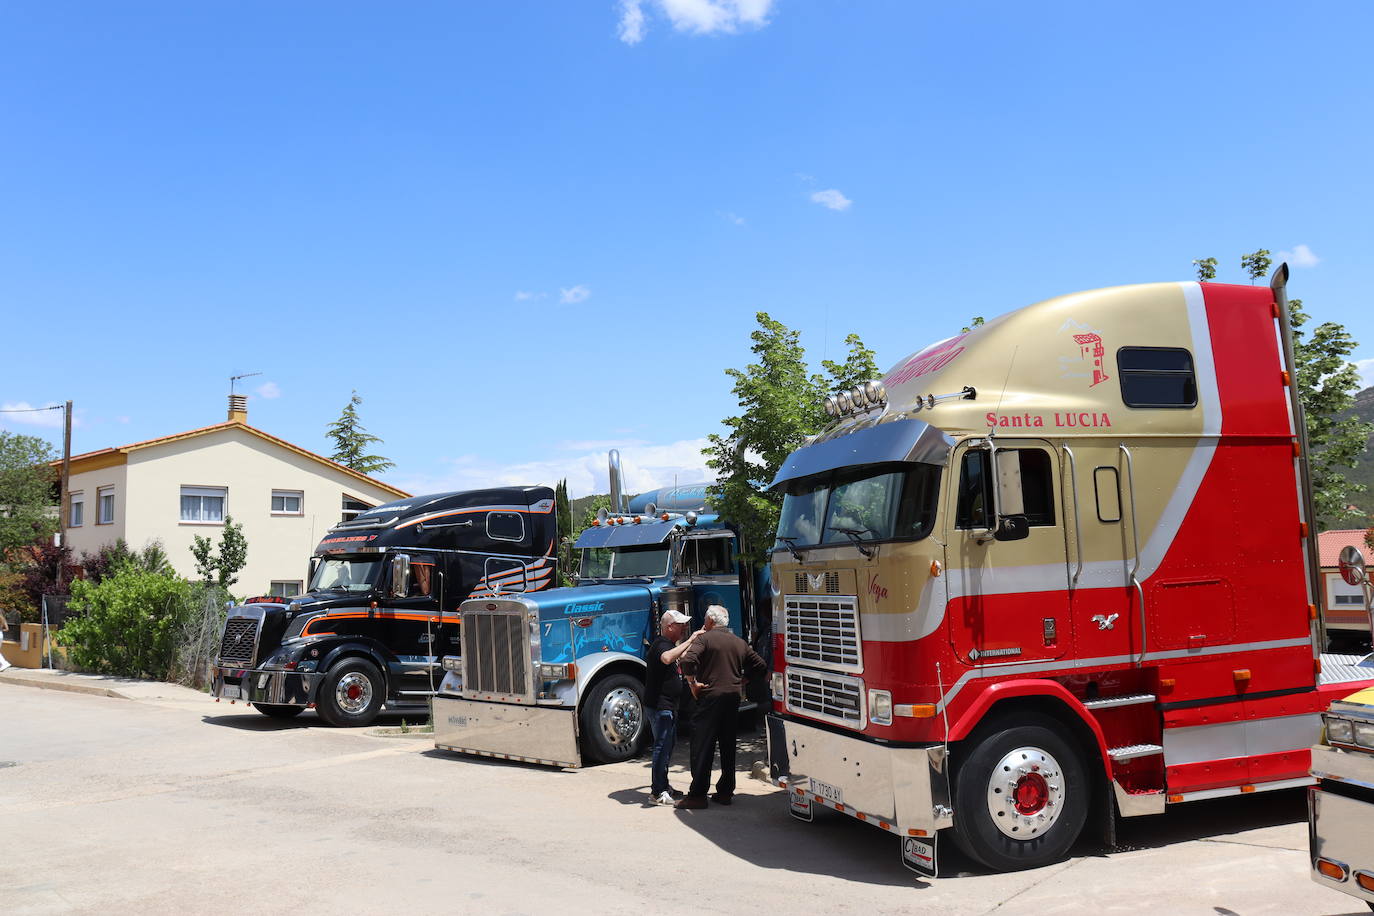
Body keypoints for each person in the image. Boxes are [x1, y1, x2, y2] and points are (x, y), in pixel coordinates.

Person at [675, 604, 767, 809]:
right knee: (728, 745)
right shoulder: (739, 642)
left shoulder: (704, 639)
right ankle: (725, 791)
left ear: (709, 621)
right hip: (732, 698)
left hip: (710, 697)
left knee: (702, 745)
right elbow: (760, 665)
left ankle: (698, 794)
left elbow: (687, 660)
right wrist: (745, 679)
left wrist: (692, 683)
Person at [643, 608, 698, 805]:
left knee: (667, 747)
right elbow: (667, 658)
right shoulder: (661, 644)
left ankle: (663, 785)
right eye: (680, 624)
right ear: (669, 626)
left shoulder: (667, 644)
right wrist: (691, 639)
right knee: (661, 747)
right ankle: (657, 792)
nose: (684, 627)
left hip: (669, 706)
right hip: (661, 706)